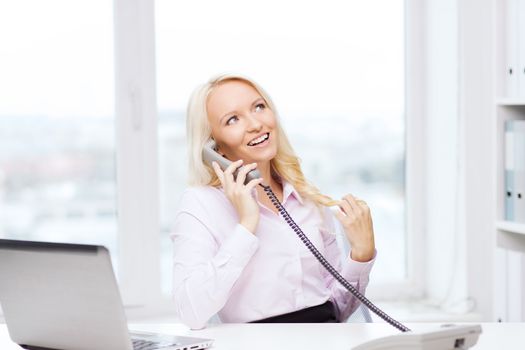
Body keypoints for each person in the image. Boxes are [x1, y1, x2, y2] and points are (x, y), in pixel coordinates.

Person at [171, 73, 376, 329]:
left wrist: (361, 255)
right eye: (233, 119)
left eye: (259, 107)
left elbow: (339, 310)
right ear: (214, 146)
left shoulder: (307, 198)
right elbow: (191, 312)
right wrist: (246, 225)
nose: (256, 124)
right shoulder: (200, 204)